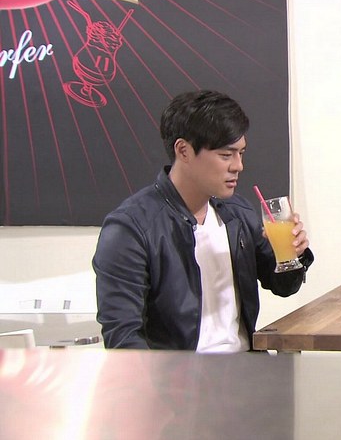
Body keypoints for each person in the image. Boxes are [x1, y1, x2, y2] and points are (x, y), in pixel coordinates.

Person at [93, 90, 314, 351]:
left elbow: (283, 286)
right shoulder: (131, 228)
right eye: (226, 155)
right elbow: (123, 338)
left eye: (241, 153)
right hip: (178, 374)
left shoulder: (237, 214)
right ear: (183, 150)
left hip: (247, 365)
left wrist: (292, 255)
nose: (238, 166)